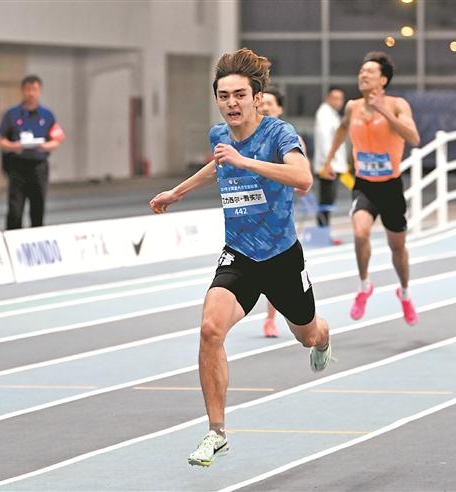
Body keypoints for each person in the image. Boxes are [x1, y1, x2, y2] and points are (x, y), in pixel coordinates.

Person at [149, 48, 332, 467]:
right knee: (210, 329)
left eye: (239, 95)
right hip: (240, 255)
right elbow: (218, 166)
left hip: (282, 257)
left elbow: (303, 178)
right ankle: (216, 433)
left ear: (256, 97)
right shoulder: (219, 135)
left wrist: (244, 160)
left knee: (307, 334)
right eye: (223, 95)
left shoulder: (279, 133)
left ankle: (323, 338)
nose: (231, 103)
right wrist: (177, 192)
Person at [321, 51, 420, 325]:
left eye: (370, 71)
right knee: (360, 232)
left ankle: (404, 292)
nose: (363, 74)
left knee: (397, 246)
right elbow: (342, 130)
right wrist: (329, 160)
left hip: (391, 187)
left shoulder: (397, 105)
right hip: (364, 185)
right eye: (361, 71)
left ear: (383, 80)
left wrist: (383, 110)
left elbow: (413, 137)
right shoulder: (352, 107)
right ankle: (365, 285)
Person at [258, 86, 307, 339]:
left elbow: (303, 183)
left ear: (279, 108)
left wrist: (280, 180)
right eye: (261, 103)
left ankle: (273, 317)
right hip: (249, 216)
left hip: (279, 216)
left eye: (270, 103)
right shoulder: (247, 137)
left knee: (276, 271)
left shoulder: (290, 139)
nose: (265, 107)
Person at [0, 75, 65, 229]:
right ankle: (13, 236)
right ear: (22, 91)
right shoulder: (12, 114)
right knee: (15, 208)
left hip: (38, 166)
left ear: (39, 91)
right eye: (28, 90)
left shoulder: (47, 115)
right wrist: (14, 146)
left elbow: (57, 140)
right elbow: (1, 141)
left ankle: (37, 236)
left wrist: (45, 146)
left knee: (38, 206)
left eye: (34, 90)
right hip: (17, 166)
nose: (31, 93)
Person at [314, 87, 347, 241]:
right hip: (328, 166)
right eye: (335, 98)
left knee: (328, 201)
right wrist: (327, 164)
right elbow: (324, 141)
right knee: (325, 202)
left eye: (341, 99)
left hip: (334, 164)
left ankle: (325, 232)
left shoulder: (332, 114)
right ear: (328, 98)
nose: (338, 102)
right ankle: (323, 234)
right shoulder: (324, 114)